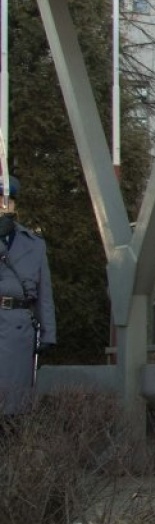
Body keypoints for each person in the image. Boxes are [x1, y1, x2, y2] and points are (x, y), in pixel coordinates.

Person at [0, 178, 55, 418]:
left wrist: (48, 333)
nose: (4, 206)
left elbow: (44, 293)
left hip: (19, 328)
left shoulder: (34, 244)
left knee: (15, 403)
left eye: (8, 201)